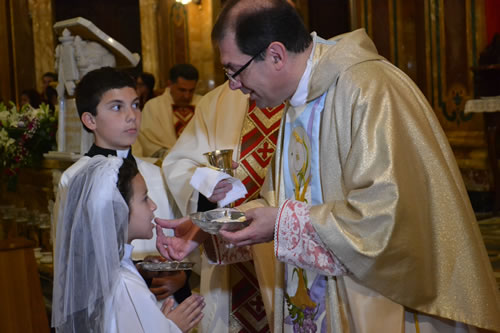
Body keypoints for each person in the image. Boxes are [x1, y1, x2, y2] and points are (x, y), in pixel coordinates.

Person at [156, 0, 500, 332]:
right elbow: (284, 204)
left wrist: (283, 223)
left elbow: (388, 221)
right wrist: (210, 227)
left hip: (375, 303)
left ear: (276, 54)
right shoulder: (297, 104)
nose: (232, 85)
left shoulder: (369, 89)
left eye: (234, 70)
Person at [51, 67, 191, 306]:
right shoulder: (76, 179)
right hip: (110, 307)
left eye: (135, 105)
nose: (132, 116)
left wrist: (180, 277)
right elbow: (73, 259)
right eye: (117, 107)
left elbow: (175, 238)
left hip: (163, 307)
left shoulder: (155, 174)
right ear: (90, 119)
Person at [162, 82, 284, 332]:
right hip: (230, 265)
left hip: (287, 255)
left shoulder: (311, 90)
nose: (234, 80)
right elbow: (179, 163)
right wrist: (206, 187)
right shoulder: (218, 100)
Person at [52, 155, 205, 332]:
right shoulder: (125, 285)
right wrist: (174, 327)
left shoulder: (99, 272)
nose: (153, 205)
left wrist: (157, 323)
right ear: (117, 210)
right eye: (145, 198)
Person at [133, 64, 202, 158]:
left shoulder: (203, 104)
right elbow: (148, 143)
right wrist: (176, 158)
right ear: (169, 84)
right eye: (182, 90)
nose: (187, 96)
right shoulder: (153, 107)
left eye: (191, 90)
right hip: (165, 163)